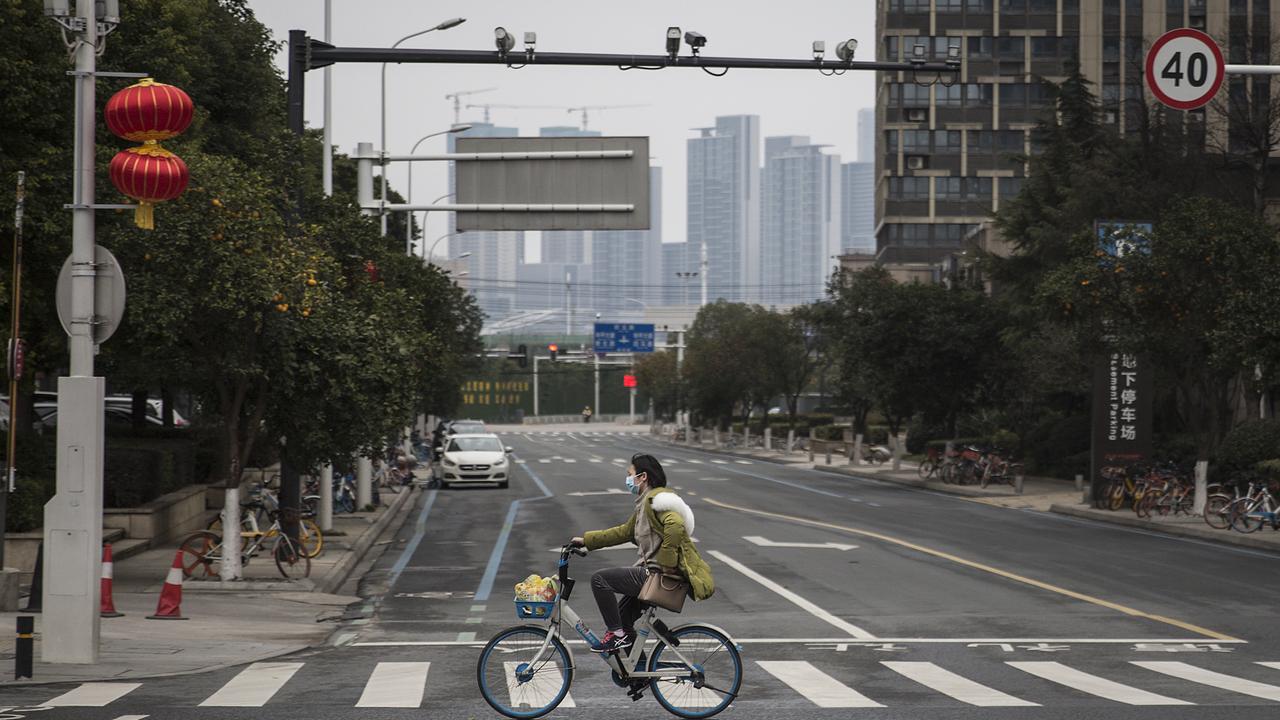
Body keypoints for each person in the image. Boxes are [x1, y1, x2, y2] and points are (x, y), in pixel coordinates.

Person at [571, 453, 715, 654]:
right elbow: (623, 532)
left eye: (630, 474)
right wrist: (586, 540)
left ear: (643, 477)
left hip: (655, 576)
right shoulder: (644, 504)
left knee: (599, 580)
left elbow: (675, 526)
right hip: (650, 574)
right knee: (623, 621)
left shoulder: (657, 500)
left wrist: (667, 563)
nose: (628, 479)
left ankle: (616, 635)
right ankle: (638, 675)